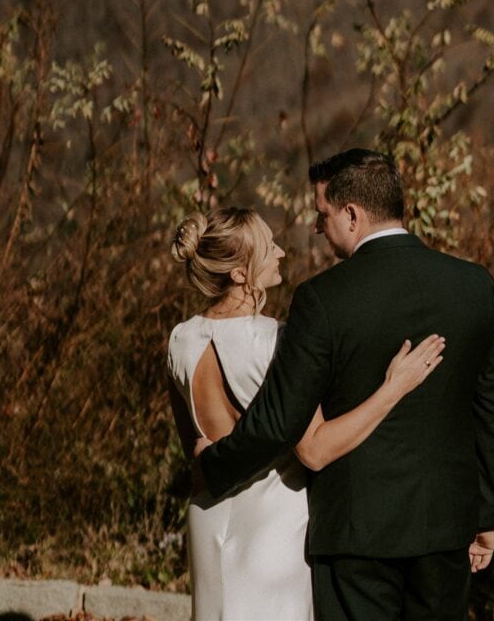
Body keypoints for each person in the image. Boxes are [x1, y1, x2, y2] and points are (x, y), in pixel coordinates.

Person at [197, 149, 494, 621]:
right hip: (445, 529)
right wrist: (488, 512)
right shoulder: (475, 288)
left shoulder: (322, 300)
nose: (316, 227)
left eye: (322, 214)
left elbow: (278, 422)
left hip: (354, 536)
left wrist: (214, 465)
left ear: (352, 214)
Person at [167, 206, 446, 621]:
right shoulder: (276, 341)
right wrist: (394, 388)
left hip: (207, 517)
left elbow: (195, 445)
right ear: (240, 274)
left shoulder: (180, 338)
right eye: (268, 247)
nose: (280, 252)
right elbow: (316, 446)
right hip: (272, 526)